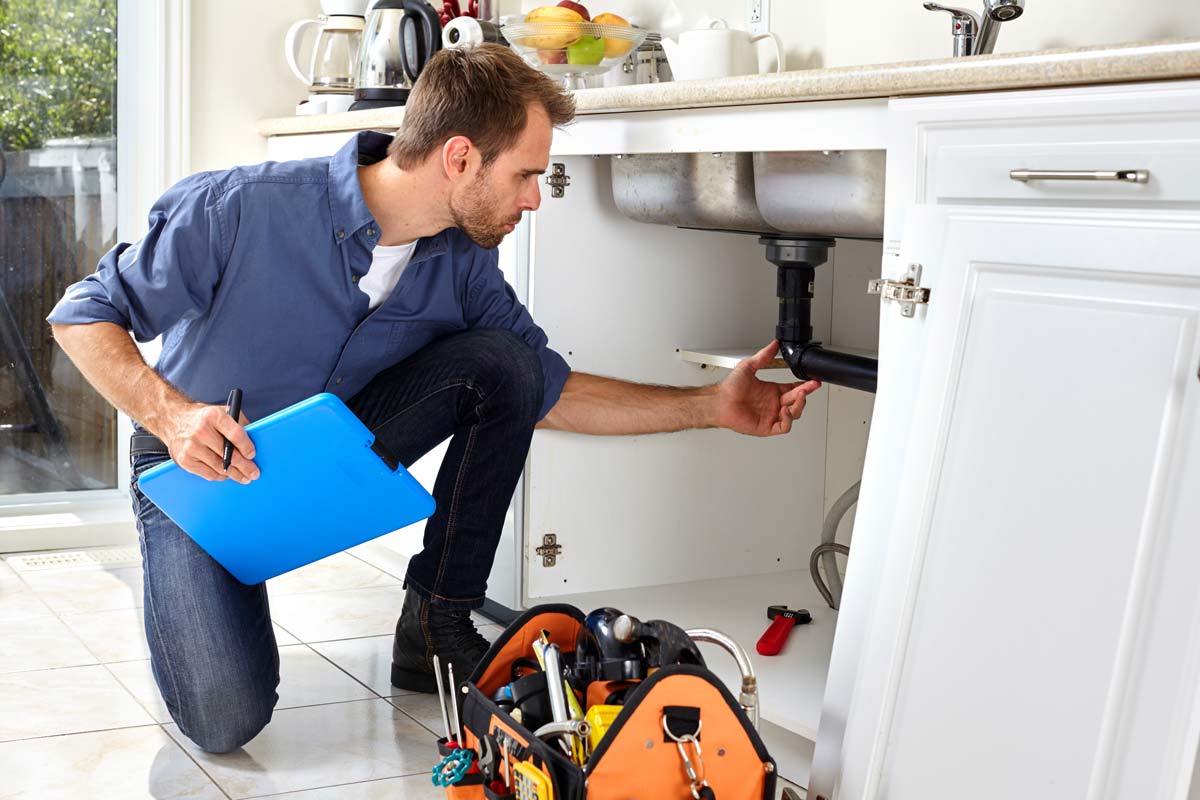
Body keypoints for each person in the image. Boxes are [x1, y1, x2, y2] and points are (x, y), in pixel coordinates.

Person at [46, 44, 821, 753]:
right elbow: (81, 315)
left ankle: (435, 623)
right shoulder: (237, 207)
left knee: (505, 362)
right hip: (203, 473)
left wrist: (709, 406)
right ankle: (215, 573)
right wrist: (174, 417)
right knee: (225, 720)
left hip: (328, 453)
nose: (534, 199)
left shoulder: (463, 267)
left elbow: (547, 392)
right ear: (459, 158)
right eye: (525, 174)